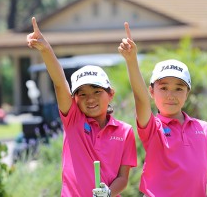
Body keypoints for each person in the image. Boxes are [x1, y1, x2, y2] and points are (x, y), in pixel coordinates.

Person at [27, 17, 137, 197]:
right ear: (74, 99)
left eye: (96, 91)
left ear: (111, 94)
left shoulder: (125, 132)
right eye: (82, 94)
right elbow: (60, 83)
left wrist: (108, 192)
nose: (90, 99)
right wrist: (46, 50)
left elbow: (123, 178)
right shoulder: (73, 120)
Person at [118, 22, 207, 197]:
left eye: (179, 88)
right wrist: (132, 61)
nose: (171, 95)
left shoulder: (204, 129)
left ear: (187, 93)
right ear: (151, 91)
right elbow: (140, 99)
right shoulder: (152, 127)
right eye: (164, 88)